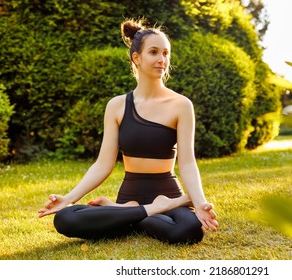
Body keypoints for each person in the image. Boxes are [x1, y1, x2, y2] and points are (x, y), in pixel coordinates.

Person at [38, 18, 218, 244]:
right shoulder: (117, 105)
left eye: (165, 53)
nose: (162, 59)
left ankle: (128, 213)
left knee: (188, 230)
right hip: (129, 195)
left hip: (167, 190)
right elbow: (103, 164)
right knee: (65, 219)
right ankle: (149, 209)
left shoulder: (181, 105)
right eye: (154, 52)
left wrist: (200, 203)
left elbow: (188, 162)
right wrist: (69, 198)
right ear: (137, 58)